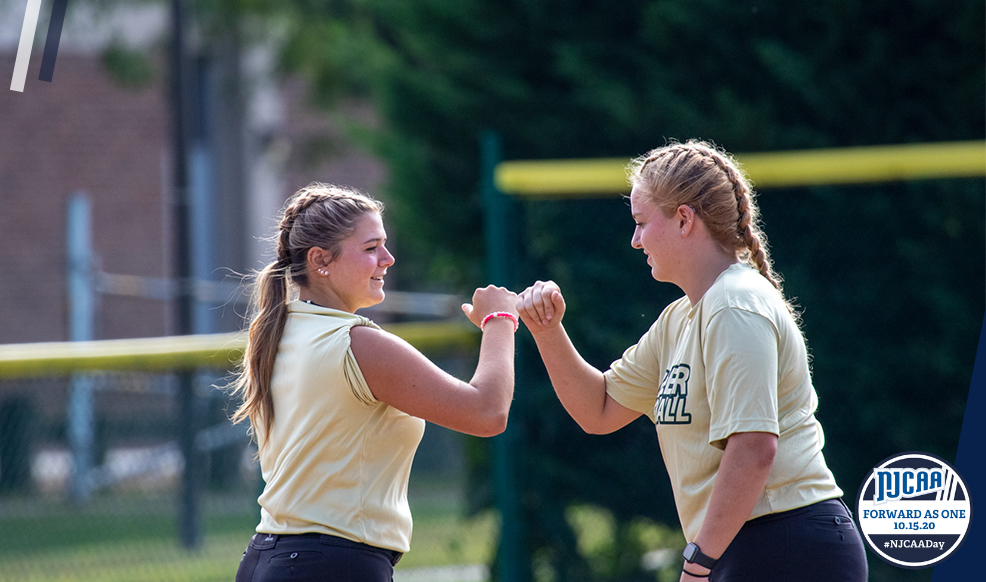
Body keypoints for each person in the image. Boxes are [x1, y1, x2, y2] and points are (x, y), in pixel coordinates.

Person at [516, 140, 867, 581]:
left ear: (684, 219)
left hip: (786, 541)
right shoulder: (682, 317)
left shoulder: (734, 304)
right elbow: (599, 410)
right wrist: (547, 330)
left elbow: (754, 447)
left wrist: (699, 563)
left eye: (641, 223)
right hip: (747, 544)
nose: (635, 240)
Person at [230, 183, 519, 582]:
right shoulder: (357, 342)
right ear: (320, 260)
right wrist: (500, 320)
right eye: (371, 248)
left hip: (265, 559)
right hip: (330, 564)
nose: (388, 258)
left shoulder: (280, 331)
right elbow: (487, 412)